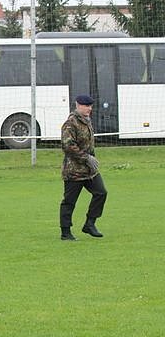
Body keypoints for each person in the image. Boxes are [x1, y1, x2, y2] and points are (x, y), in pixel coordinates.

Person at [59, 94, 107, 241]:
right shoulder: (70, 123)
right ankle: (65, 232)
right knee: (69, 201)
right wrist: (86, 157)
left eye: (90, 106)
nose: (89, 109)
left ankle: (90, 223)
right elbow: (68, 145)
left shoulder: (87, 121)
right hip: (74, 171)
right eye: (86, 106)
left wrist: (91, 159)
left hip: (89, 170)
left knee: (101, 193)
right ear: (78, 105)